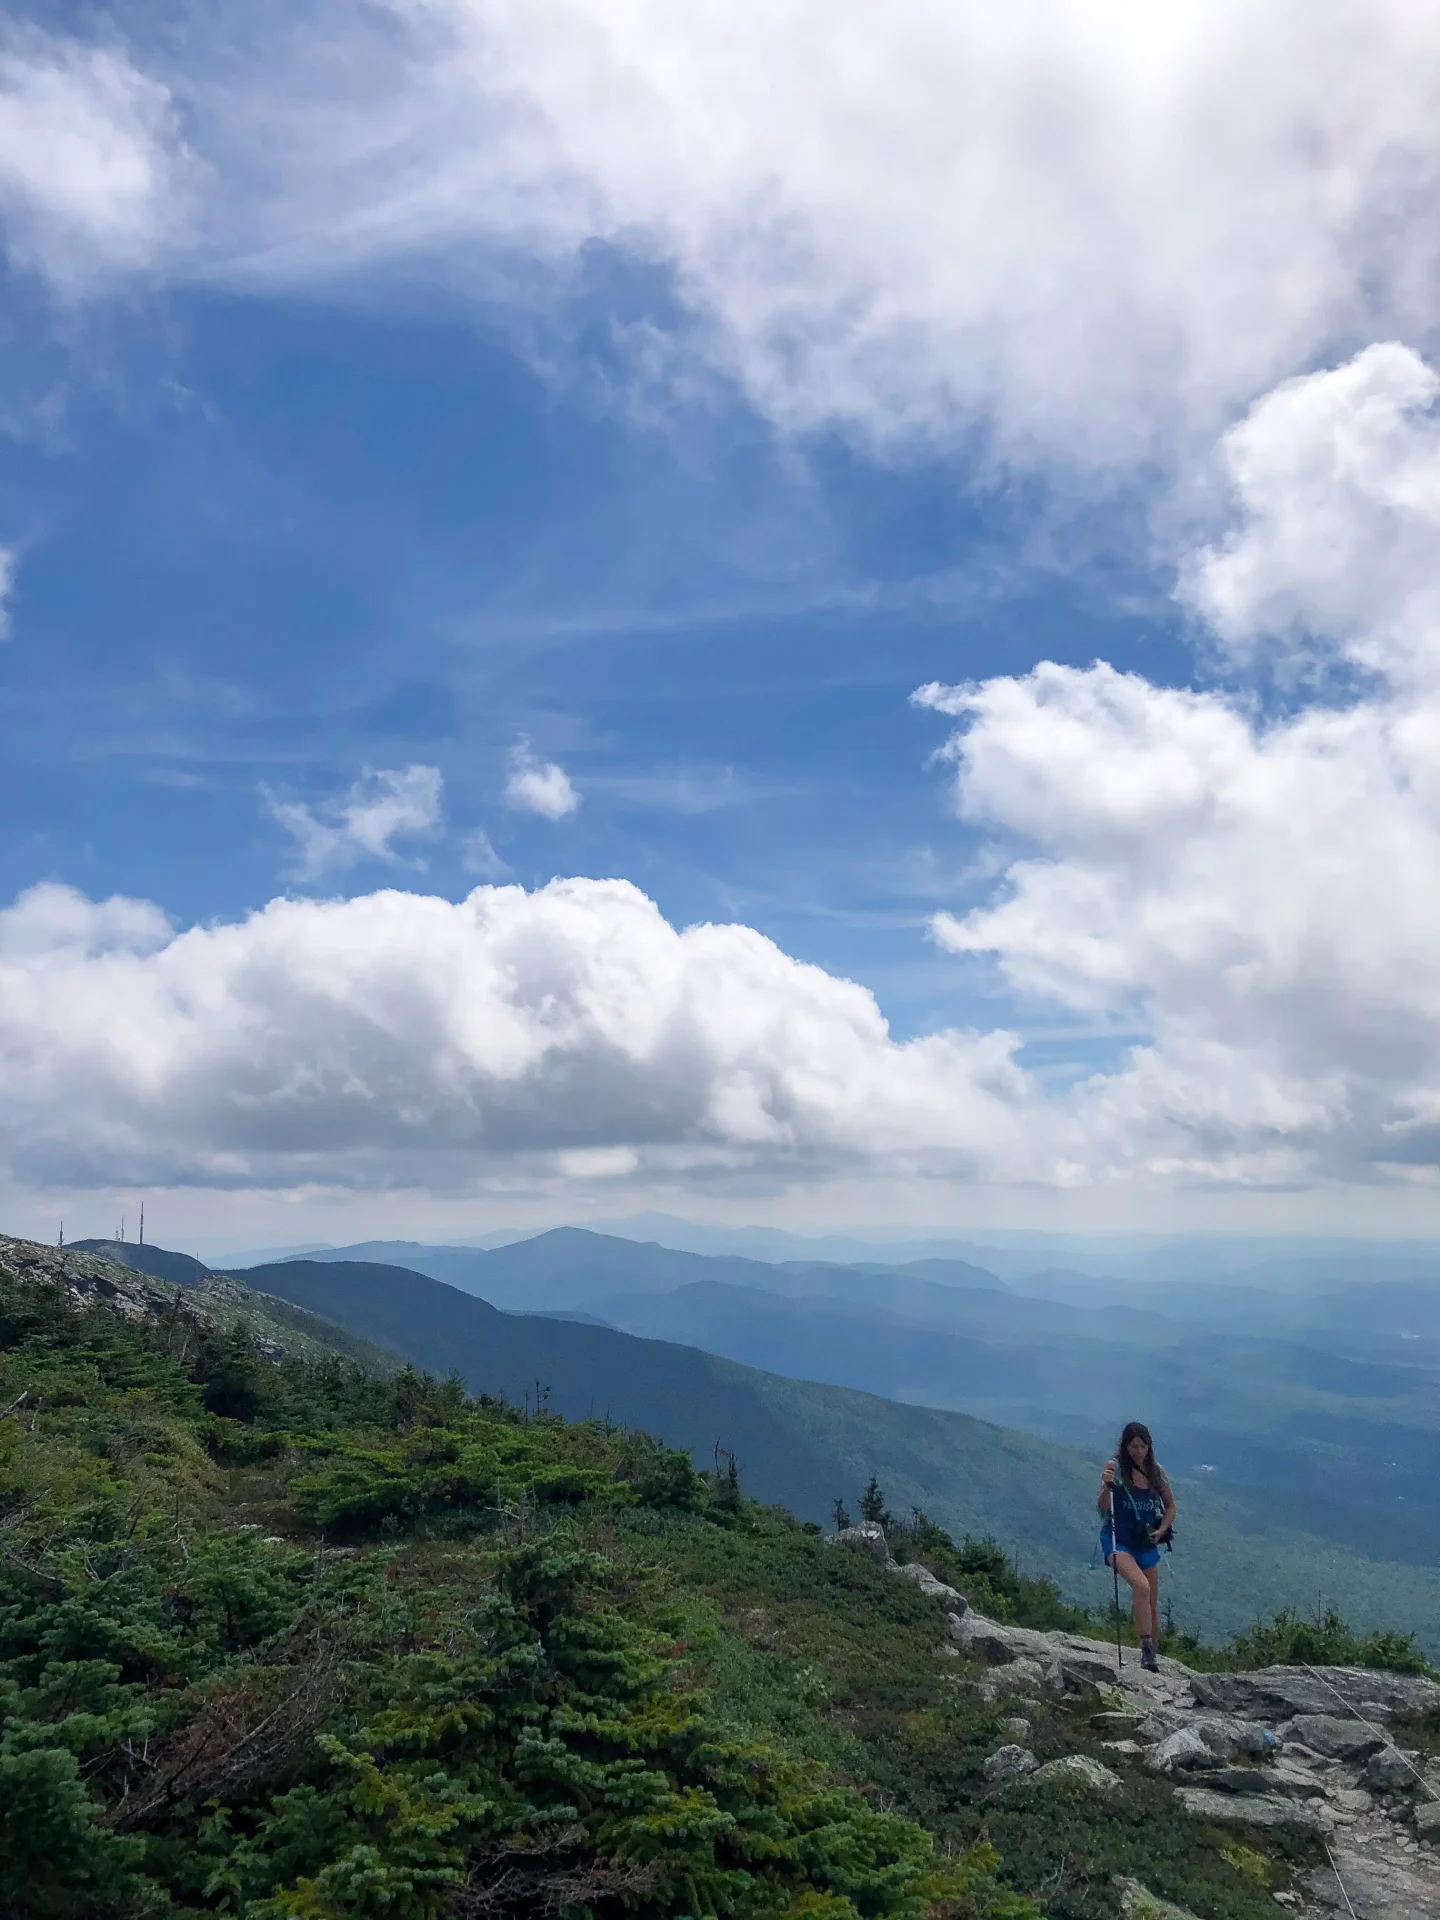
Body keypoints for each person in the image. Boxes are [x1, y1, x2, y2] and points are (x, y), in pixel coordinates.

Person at [1098, 1421, 1175, 1673]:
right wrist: (1106, 1486)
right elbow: (1101, 1507)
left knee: (1151, 1601)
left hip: (1146, 1542)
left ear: (1149, 1446)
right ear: (1125, 1445)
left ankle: (1152, 1650)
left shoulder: (1156, 1472)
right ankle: (1146, 1651)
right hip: (1117, 1540)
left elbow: (1170, 1507)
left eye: (1142, 1446)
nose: (1138, 1451)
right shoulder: (1116, 1469)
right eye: (1134, 1446)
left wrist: (1162, 1529)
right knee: (1141, 1587)